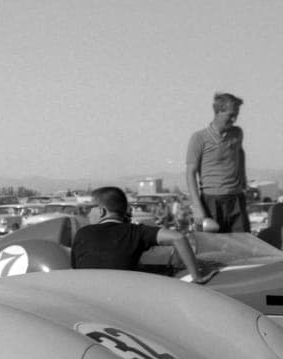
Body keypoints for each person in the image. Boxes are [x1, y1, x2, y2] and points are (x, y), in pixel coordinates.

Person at [71, 187, 212, 282]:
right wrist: (197, 276)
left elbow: (76, 270)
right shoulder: (135, 231)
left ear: (101, 211)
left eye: (90, 208)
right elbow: (178, 237)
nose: (88, 213)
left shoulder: (82, 233)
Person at [186, 92, 248, 233]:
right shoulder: (199, 138)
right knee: (214, 249)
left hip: (236, 199)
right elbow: (190, 173)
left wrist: (243, 177)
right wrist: (197, 208)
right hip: (212, 201)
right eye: (230, 115)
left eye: (236, 114)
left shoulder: (237, 133)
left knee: (243, 246)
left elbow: (240, 152)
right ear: (218, 112)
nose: (234, 119)